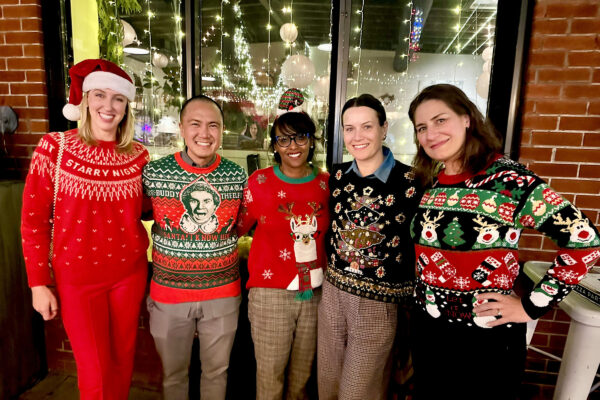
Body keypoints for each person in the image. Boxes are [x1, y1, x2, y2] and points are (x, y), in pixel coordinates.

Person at [407, 84, 600, 399]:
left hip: (485, 338)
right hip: (429, 331)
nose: (431, 134)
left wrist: (531, 306)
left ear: (467, 118)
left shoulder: (509, 181)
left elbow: (584, 241)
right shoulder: (428, 182)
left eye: (441, 120)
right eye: (422, 127)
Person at [21, 59, 150, 400]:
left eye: (118, 98)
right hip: (78, 279)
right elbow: (33, 222)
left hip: (129, 274)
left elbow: (151, 209)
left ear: (126, 106)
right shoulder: (55, 149)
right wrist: (38, 283)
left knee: (123, 362)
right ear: (85, 100)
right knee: (94, 372)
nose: (108, 106)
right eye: (99, 95)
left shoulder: (139, 156)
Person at [143, 94, 247, 400]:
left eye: (213, 125)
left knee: (217, 373)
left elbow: (241, 223)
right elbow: (137, 213)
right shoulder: (154, 173)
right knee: (174, 376)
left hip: (223, 294)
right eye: (195, 124)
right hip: (169, 295)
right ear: (181, 128)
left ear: (222, 129)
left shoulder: (237, 176)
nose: (205, 133)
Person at [318, 94, 419, 400]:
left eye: (366, 127)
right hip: (333, 295)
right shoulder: (334, 177)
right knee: (327, 384)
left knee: (358, 392)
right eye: (349, 129)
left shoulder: (412, 181)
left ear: (384, 127)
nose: (357, 137)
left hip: (379, 304)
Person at [237, 99, 330, 399]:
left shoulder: (327, 185)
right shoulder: (258, 183)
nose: (293, 145)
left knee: (303, 376)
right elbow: (235, 226)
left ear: (311, 142)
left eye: (301, 137)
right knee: (270, 374)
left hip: (316, 293)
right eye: (284, 138)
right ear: (274, 144)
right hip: (270, 293)